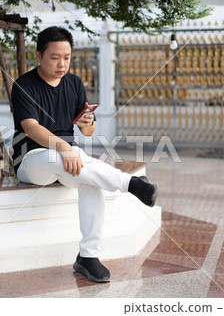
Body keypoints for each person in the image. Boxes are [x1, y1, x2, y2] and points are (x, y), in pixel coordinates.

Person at [11, 26, 158, 283]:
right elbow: (30, 128)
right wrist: (65, 147)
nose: (62, 63)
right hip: (32, 160)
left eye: (67, 57)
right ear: (39, 56)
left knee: (89, 179)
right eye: (55, 57)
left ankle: (88, 256)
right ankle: (130, 184)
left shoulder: (74, 83)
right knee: (64, 156)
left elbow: (88, 131)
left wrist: (87, 121)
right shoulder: (24, 85)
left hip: (67, 158)